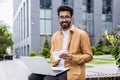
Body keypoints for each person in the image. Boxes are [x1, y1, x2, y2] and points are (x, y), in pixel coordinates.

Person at [29, 5, 93, 80]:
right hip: (57, 69)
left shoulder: (82, 34)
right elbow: (52, 56)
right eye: (61, 17)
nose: (64, 20)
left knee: (48, 79)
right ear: (58, 19)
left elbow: (89, 56)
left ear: (72, 18)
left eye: (67, 17)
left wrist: (72, 58)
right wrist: (56, 57)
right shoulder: (55, 36)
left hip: (72, 70)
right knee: (33, 77)